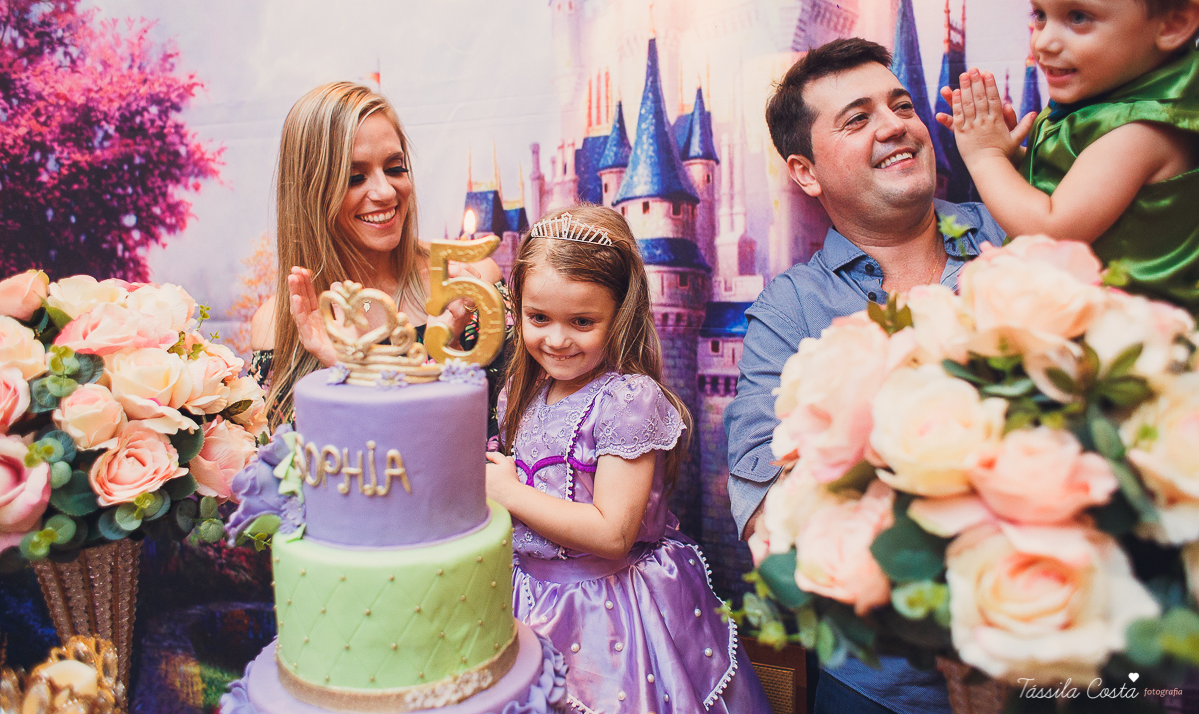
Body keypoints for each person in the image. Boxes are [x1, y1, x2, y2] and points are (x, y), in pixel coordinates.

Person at [724, 38, 1006, 714]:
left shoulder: (1014, 232)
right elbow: (767, 517)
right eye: (858, 118)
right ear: (805, 172)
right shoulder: (790, 309)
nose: (895, 125)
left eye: (902, 105)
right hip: (879, 692)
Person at [484, 206, 771, 713]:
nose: (557, 339)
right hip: (527, 600)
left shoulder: (627, 401)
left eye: (582, 322)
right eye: (539, 318)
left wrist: (509, 493)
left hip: (610, 611)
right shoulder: (521, 393)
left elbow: (613, 533)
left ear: (620, 314)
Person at [938, 0, 1199, 312]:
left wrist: (985, 156)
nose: (1044, 42)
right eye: (1039, 15)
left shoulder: (1141, 132)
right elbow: (1081, 189)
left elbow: (1050, 228)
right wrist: (1014, 159)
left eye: (1078, 17)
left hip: (1126, 336)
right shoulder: (1109, 106)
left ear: (1173, 24)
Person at [249, 81, 504, 427]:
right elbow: (290, 455)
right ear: (309, 193)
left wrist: (450, 351)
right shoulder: (276, 326)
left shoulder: (476, 285)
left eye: (395, 168)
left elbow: (514, 433)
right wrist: (347, 371)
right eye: (355, 177)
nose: (385, 192)